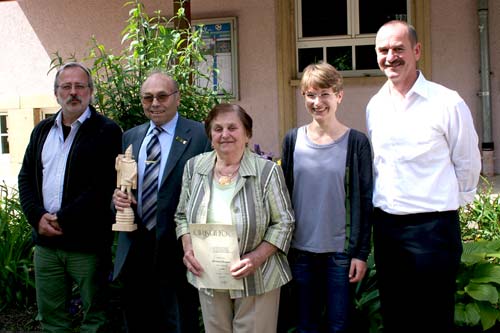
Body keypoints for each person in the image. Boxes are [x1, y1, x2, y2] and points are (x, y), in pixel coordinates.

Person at [366, 20, 482, 333]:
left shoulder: (447, 102)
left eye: (398, 49)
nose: (390, 56)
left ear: (417, 51)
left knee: (433, 319)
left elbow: (468, 162)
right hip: (388, 229)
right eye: (383, 50)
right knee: (396, 317)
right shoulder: (375, 105)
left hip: (433, 230)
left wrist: (446, 208)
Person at [18, 62, 122, 332]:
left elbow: (101, 187)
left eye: (80, 86)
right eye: (66, 86)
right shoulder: (41, 131)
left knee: (95, 318)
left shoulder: (107, 131)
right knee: (51, 319)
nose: (73, 92)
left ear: (90, 92)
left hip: (86, 245)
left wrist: (62, 219)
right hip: (46, 246)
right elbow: (26, 178)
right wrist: (37, 217)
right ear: (56, 93)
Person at [175, 103, 295, 333]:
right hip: (210, 276)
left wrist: (256, 258)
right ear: (210, 136)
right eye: (217, 129)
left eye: (232, 127)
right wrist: (188, 248)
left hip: (257, 278)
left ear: (247, 134)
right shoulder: (194, 168)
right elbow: (181, 215)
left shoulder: (267, 171)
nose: (225, 134)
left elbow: (284, 222)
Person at [112, 70, 211, 332]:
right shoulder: (131, 136)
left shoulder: (200, 135)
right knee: (138, 319)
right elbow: (123, 184)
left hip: (177, 246)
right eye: (147, 98)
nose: (154, 103)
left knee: (179, 320)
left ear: (177, 98)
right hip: (136, 244)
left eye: (162, 96)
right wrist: (118, 200)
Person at [280, 62, 373, 333]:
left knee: (338, 325)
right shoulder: (292, 140)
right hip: (301, 253)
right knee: (305, 325)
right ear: (303, 97)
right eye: (310, 94)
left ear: (339, 96)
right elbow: (284, 197)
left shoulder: (356, 143)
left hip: (340, 254)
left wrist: (361, 253)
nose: (317, 102)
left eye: (325, 94)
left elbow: (365, 201)